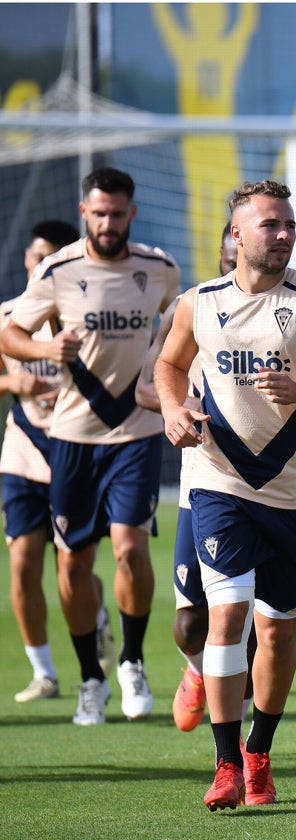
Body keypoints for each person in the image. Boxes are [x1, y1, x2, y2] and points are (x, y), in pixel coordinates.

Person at [155, 179, 296, 810]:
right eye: (269, 224)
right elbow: (169, 364)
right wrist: (172, 409)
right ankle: (223, 765)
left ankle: (259, 755)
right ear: (237, 234)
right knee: (227, 614)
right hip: (221, 484)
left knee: (276, 633)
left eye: (288, 224)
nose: (282, 235)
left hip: (294, 493)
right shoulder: (201, 302)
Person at [1, 168, 182, 725]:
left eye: (118, 213)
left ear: (132, 213)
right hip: (73, 436)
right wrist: (45, 345)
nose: (109, 223)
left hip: (135, 432)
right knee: (74, 562)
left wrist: (161, 369)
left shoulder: (159, 270)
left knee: (129, 547)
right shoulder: (57, 271)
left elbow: (180, 326)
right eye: (99, 213)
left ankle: (131, 661)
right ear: (86, 213)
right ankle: (90, 678)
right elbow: (9, 333)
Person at [133, 224, 253, 733]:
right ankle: (196, 668)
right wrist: (178, 406)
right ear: (226, 253)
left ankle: (241, 741)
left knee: (243, 616)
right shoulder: (193, 306)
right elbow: (145, 385)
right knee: (190, 624)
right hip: (200, 482)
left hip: (269, 486)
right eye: (227, 260)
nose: (234, 268)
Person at [3, 219, 114, 703]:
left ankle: (98, 618)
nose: (39, 264)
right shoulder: (9, 316)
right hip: (25, 447)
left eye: (50, 255)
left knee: (74, 563)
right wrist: (12, 383)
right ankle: (43, 671)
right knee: (23, 560)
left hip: (78, 448)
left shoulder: (93, 315)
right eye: (34, 256)